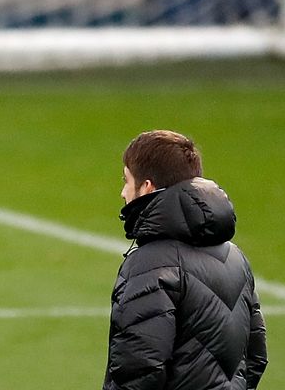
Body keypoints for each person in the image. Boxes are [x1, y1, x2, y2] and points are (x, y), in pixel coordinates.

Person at [103, 130, 268, 390]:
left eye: (126, 181)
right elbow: (256, 357)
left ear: (147, 187)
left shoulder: (150, 264)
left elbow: (138, 373)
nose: (123, 192)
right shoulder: (236, 257)